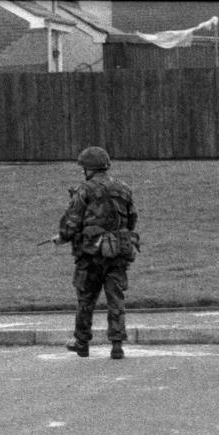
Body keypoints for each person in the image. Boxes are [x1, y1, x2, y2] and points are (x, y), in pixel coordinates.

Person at [53, 146, 138, 360]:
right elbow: (132, 219)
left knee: (86, 298)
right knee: (115, 297)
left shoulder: (85, 189)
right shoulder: (123, 188)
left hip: (90, 253)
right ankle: (117, 344)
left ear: (88, 169)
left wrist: (62, 236)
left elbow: (72, 221)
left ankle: (82, 342)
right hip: (117, 251)